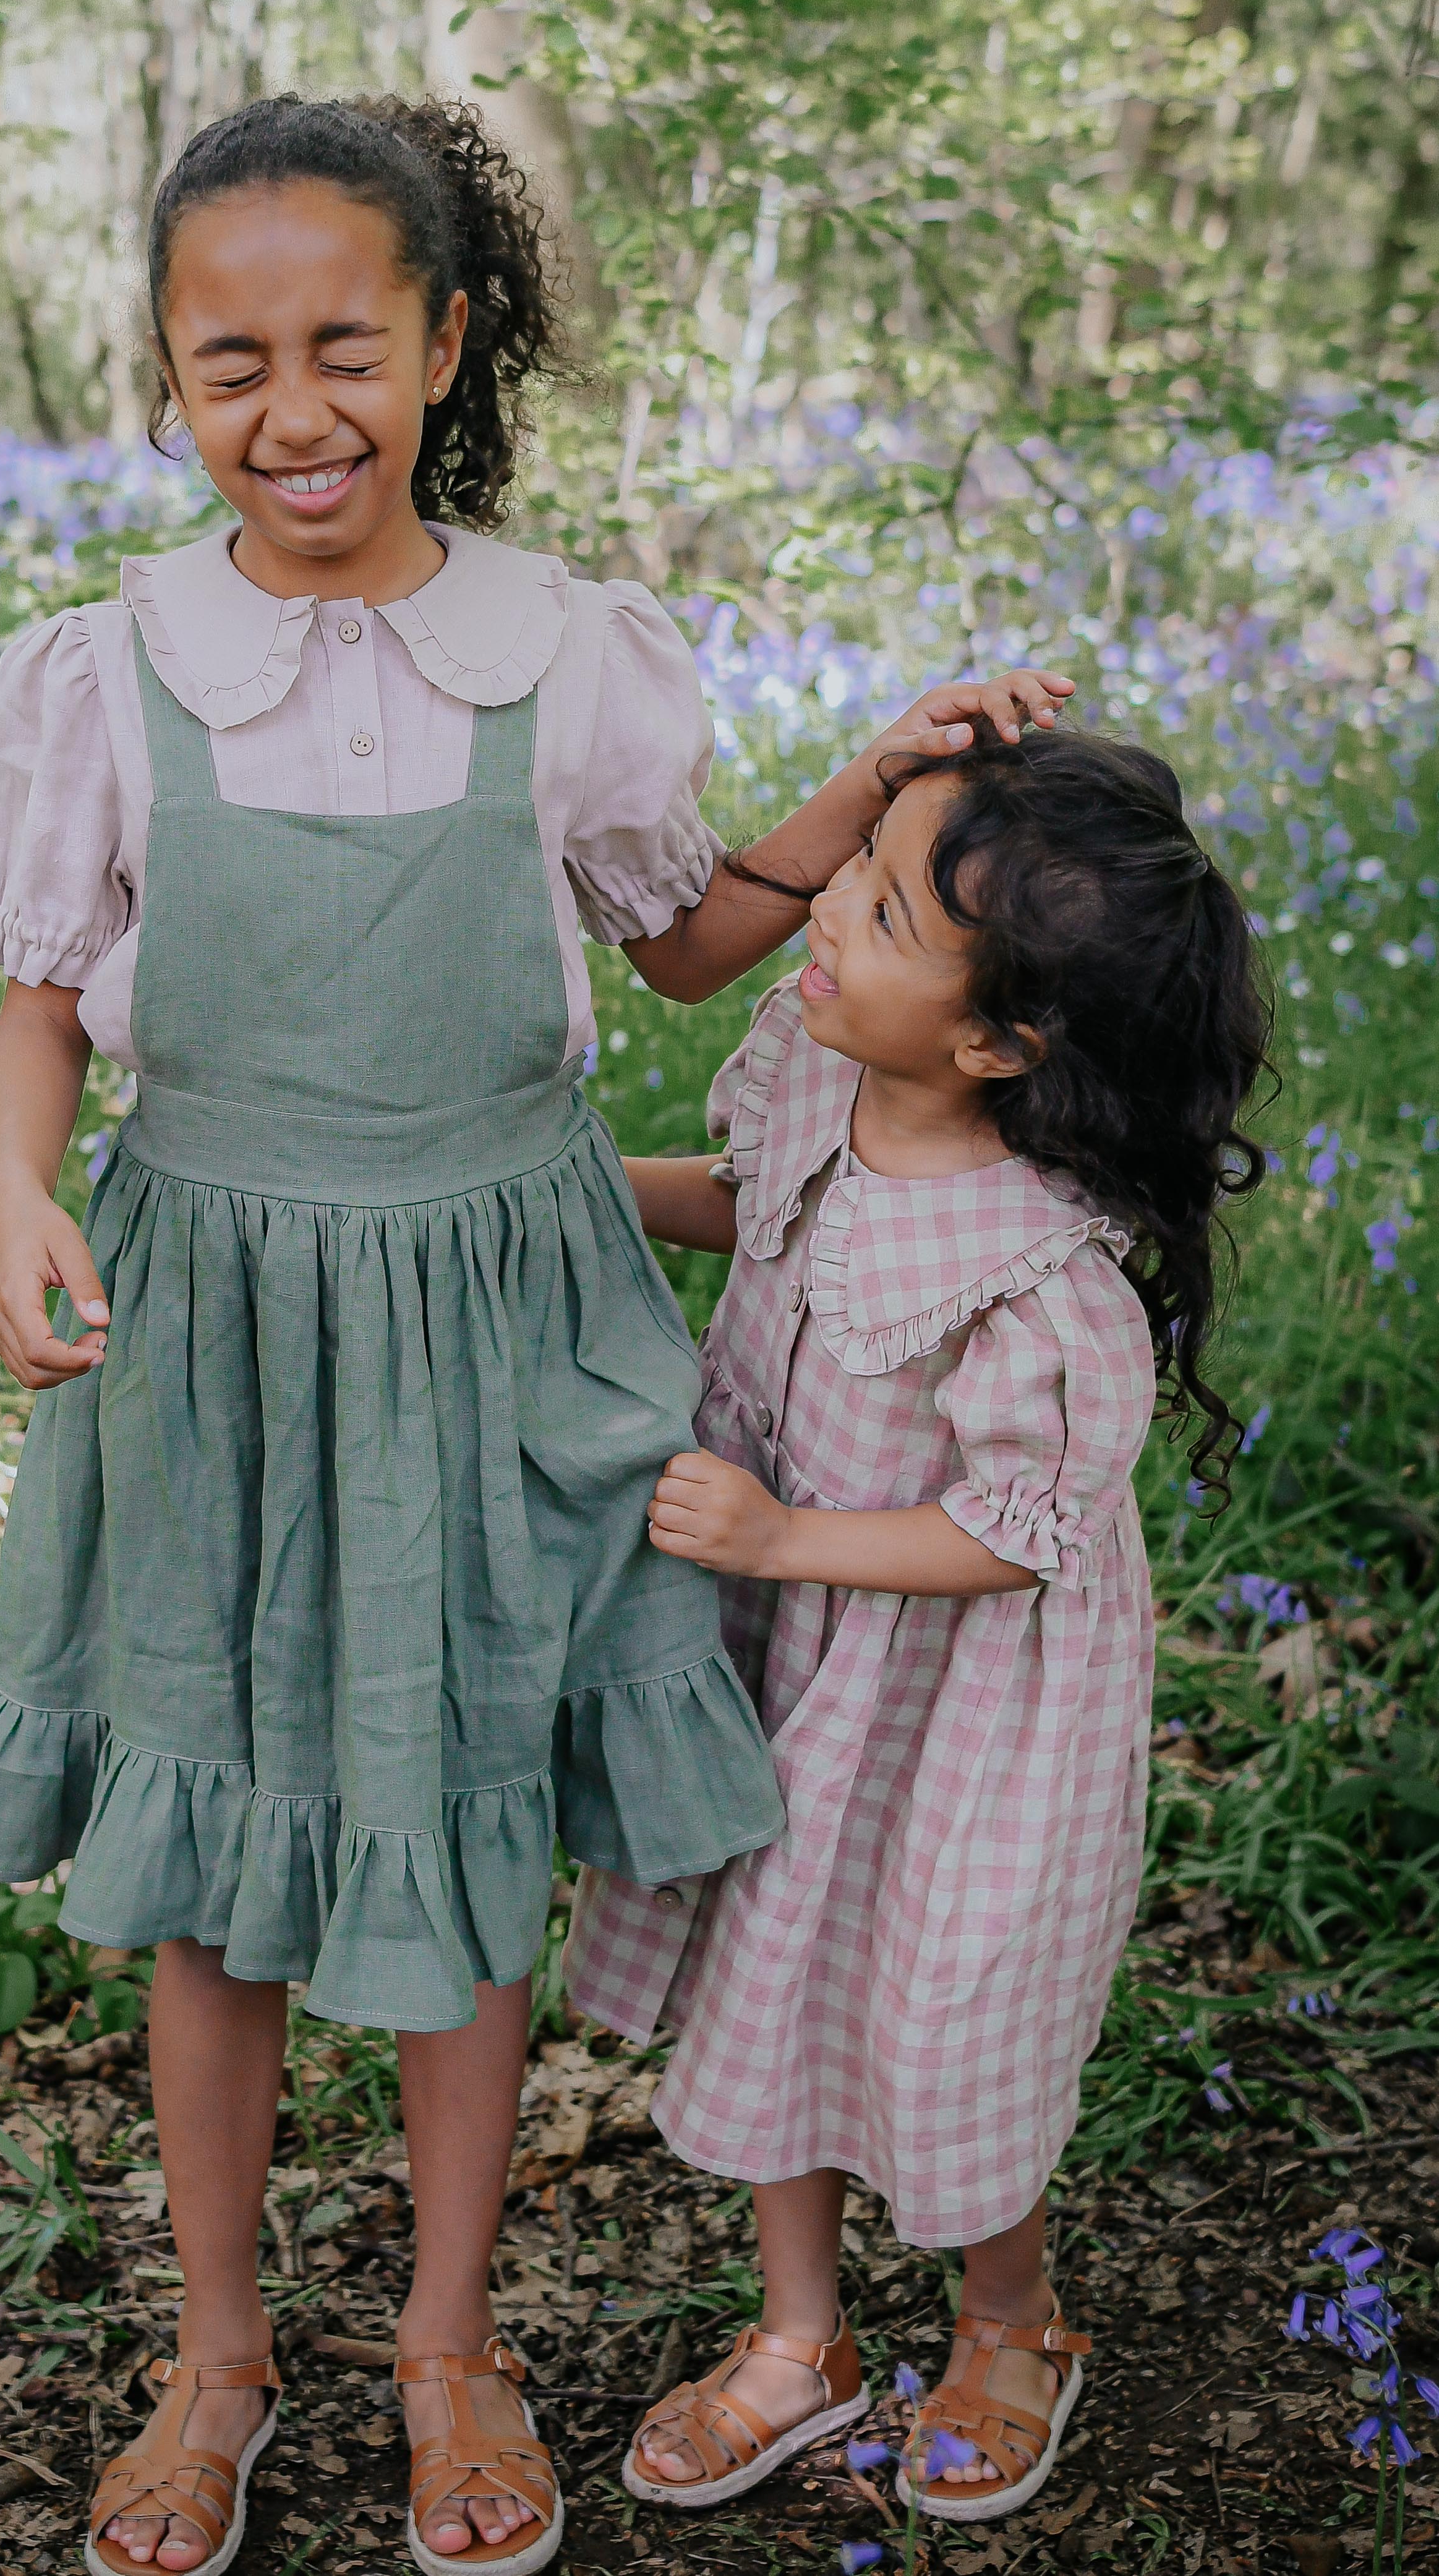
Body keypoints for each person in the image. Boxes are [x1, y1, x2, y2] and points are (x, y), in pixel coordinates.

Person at [0, 87, 1071, 2576]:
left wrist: (869, 769)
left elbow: (676, 938)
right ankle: (216, 2353)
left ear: (445, 340)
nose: (293, 407)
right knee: (212, 1866)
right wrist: (18, 1183)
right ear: (166, 370)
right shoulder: (107, 673)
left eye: (346, 344)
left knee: (460, 1824)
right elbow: (36, 1001)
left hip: (487, 1306)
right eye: (231, 361)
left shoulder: (558, 653)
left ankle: (452, 2338)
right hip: (213, 1310)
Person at [566, 727, 1272, 2528]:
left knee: (949, 2005)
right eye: (859, 875)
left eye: (876, 912)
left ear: (998, 1042)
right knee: (768, 1973)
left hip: (959, 1705)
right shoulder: (816, 1075)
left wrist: (790, 1529)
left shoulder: (1037, 1264)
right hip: (790, 1661)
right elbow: (755, 1212)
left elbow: (1019, 1528)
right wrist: (578, 1185)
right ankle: (799, 2338)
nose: (825, 921)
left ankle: (1010, 2315)